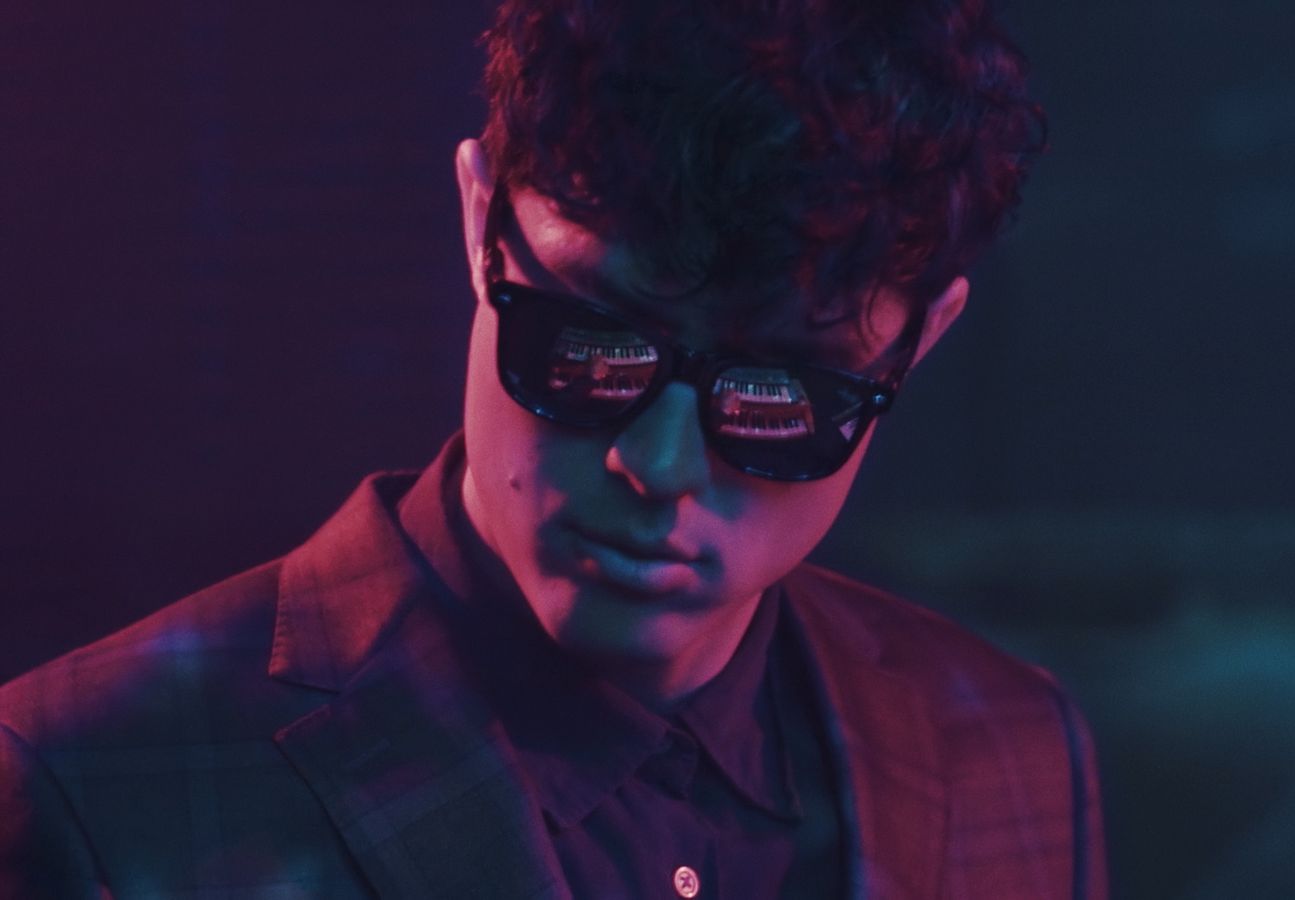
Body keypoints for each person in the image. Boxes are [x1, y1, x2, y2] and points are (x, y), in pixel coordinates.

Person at [0, 0, 1106, 896]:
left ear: (923, 340)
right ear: (478, 215)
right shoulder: (87, 789)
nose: (658, 467)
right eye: (593, 345)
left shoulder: (1011, 750)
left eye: (777, 394)